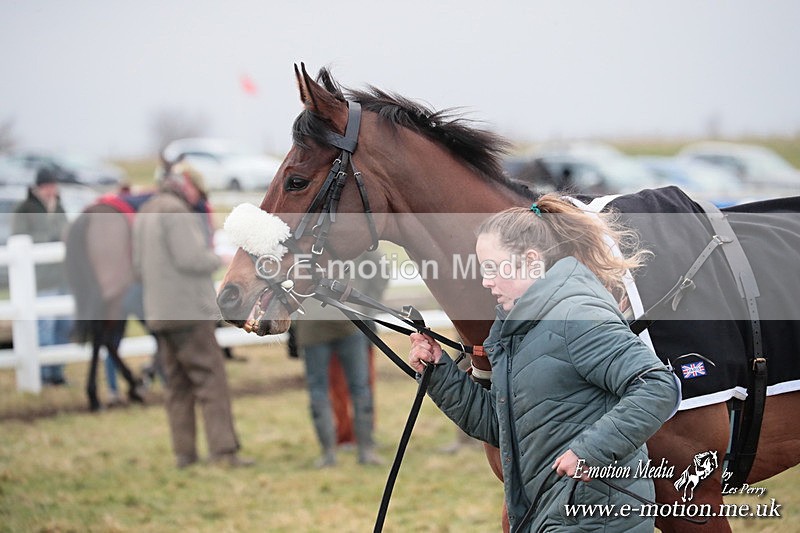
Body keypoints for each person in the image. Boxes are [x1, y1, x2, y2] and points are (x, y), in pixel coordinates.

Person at [409, 196, 680, 532]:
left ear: (532, 261)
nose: (485, 281)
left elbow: (658, 386)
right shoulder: (520, 329)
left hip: (594, 518)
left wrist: (589, 452)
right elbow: (504, 425)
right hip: (550, 514)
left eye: (494, 268)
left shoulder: (577, 316)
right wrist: (437, 371)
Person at [132, 162, 252, 469]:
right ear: (185, 185)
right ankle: (224, 452)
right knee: (211, 380)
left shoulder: (146, 212)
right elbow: (191, 258)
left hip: (159, 313)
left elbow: (136, 265)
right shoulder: (177, 212)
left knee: (177, 386)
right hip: (187, 312)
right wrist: (219, 258)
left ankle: (184, 454)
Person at [292, 250, 388, 468]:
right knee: (360, 387)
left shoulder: (301, 238)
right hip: (348, 319)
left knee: (319, 389)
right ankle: (365, 450)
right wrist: (365, 305)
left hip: (314, 324)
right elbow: (379, 267)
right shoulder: (347, 233)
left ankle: (329, 454)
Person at [11, 166, 71, 385]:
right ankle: (43, 374)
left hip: (62, 275)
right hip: (40, 279)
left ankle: (58, 372)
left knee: (64, 325)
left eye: (53, 186)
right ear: (38, 187)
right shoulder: (24, 209)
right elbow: (19, 238)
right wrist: (53, 236)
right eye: (47, 186)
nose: (51, 190)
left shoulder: (59, 207)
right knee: (44, 326)